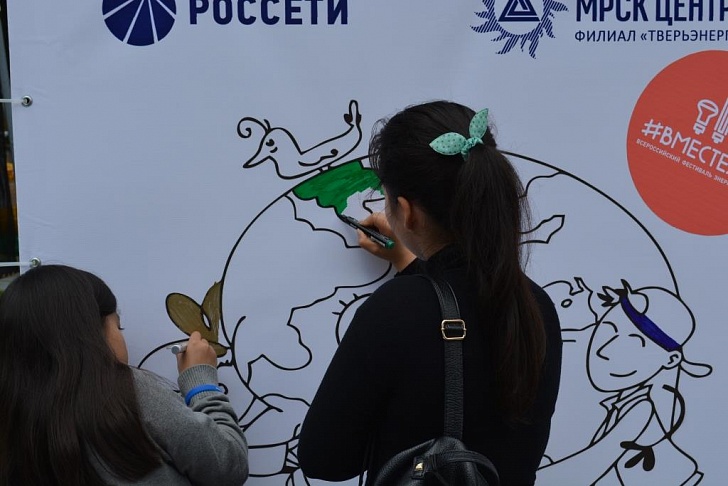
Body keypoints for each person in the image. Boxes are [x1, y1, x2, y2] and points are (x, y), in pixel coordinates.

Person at [297, 100, 563, 485]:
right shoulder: (537, 305)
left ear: (406, 212)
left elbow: (324, 459)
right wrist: (411, 261)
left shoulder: (395, 311)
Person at [0, 264, 249, 485]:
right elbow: (227, 467)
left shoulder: (13, 414)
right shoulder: (128, 392)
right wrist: (202, 385)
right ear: (91, 334)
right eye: (118, 326)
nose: (121, 335)